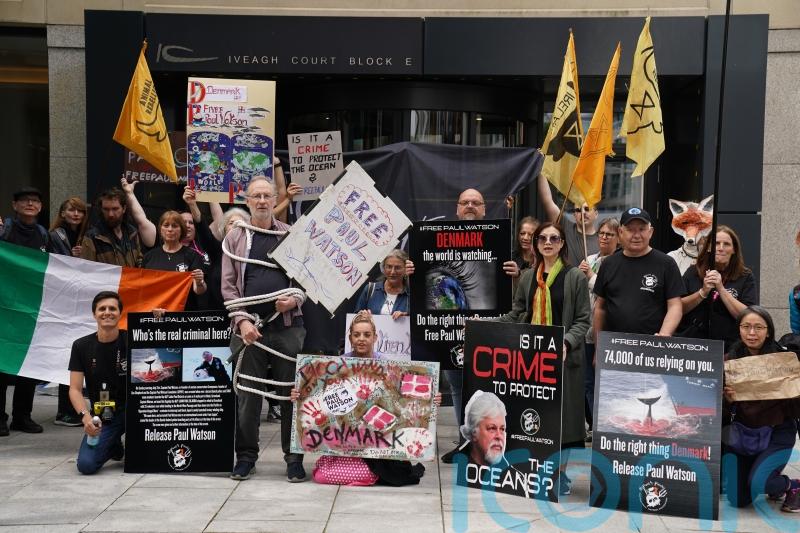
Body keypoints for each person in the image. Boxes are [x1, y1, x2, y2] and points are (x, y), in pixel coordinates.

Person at [419, 188, 519, 464]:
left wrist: (516, 275)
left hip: (492, 330)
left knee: (491, 385)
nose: (471, 206)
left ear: (485, 210)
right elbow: (422, 280)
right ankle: (467, 443)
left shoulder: (500, 240)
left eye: (477, 203)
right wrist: (412, 274)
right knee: (457, 386)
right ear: (457, 208)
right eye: (466, 203)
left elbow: (522, 292)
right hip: (450, 335)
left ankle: (493, 446)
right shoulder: (436, 240)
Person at [222, 177, 307, 482]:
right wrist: (242, 322)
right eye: (255, 196)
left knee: (291, 394)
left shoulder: (291, 236)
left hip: (286, 327)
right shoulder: (234, 238)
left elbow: (304, 282)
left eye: (266, 196)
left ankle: (293, 459)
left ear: (275, 200)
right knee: (247, 394)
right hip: (249, 329)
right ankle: (246, 457)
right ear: (247, 201)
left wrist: (293, 300)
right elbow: (229, 287)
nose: (261, 201)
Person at [495, 221, 590, 495]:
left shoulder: (575, 278)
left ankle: (559, 476)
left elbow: (583, 320)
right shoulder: (527, 277)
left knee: (565, 421)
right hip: (532, 362)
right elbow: (516, 313)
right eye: (543, 238)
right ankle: (536, 470)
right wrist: (487, 324)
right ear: (536, 244)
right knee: (537, 418)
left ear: (562, 244)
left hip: (563, 360)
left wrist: (566, 343)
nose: (548, 242)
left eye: (554, 238)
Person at [292, 311, 441, 486]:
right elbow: (318, 397)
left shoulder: (389, 367)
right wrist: (299, 395)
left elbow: (404, 400)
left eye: (366, 334)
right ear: (350, 338)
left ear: (375, 337)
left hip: (376, 442)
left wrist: (431, 399)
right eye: (356, 335)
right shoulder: (337, 365)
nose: (361, 339)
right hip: (345, 439)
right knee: (321, 476)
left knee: (372, 473)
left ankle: (374, 472)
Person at [722, 306, 800, 511]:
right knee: (737, 499)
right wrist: (727, 400)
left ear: (769, 330)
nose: (752, 333)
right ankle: (767, 479)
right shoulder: (730, 360)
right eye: (746, 326)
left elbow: (795, 410)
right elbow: (719, 413)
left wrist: (793, 390)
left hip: (777, 431)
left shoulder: (783, 361)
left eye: (758, 327)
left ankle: (792, 486)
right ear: (738, 329)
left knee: (760, 482)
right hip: (744, 434)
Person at [0, 187, 50, 436]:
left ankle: (23, 416)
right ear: (15, 205)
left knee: (31, 363)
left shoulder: (44, 235)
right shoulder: (4, 230)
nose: (30, 204)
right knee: (2, 363)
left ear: (40, 207)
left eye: (35, 201)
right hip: (5, 307)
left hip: (32, 309)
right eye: (24, 201)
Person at [593, 207, 684, 339]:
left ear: (650, 232)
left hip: (652, 347)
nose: (636, 235)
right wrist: (598, 348)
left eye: (641, 229)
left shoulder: (666, 264)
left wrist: (665, 333)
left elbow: (675, 306)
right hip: (614, 348)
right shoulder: (608, 264)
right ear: (620, 232)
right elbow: (600, 309)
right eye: (630, 230)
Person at [68, 291, 127, 474]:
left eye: (112, 308)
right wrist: (85, 417)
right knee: (86, 465)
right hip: (103, 414)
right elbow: (75, 389)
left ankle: (116, 442)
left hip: (134, 413)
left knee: (140, 459)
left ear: (120, 313)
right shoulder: (81, 345)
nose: (107, 312)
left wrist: (159, 318)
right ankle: (112, 445)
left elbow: (160, 337)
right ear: (94, 314)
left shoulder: (133, 338)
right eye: (102, 309)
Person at [680, 225, 757, 350]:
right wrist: (702, 293)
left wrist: (721, 289)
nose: (721, 248)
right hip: (693, 343)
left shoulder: (745, 276)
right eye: (716, 243)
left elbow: (748, 316)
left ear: (734, 250)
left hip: (730, 346)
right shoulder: (694, 271)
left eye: (726, 244)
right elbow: (678, 308)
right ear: (709, 247)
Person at [49, 197, 90, 427]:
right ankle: (64, 411)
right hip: (62, 304)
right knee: (65, 355)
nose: (75, 214)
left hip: (78, 302)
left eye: (80, 211)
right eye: (71, 210)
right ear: (62, 212)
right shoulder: (55, 235)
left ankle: (71, 406)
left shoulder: (84, 236)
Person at [578, 217, 619, 441]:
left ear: (618, 238)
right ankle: (592, 423)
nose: (604, 237)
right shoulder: (590, 259)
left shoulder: (619, 262)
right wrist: (578, 275)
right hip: (585, 331)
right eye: (601, 233)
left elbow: (610, 293)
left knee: (603, 382)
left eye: (609, 234)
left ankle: (602, 426)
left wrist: (591, 277)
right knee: (586, 382)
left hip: (606, 331)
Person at [142, 211, 207, 309]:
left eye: (175, 226)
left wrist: (199, 282)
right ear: (160, 229)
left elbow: (199, 290)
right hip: (154, 314)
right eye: (166, 225)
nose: (170, 229)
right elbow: (143, 289)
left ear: (182, 230)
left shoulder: (192, 255)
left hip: (182, 316)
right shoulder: (149, 257)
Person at [538, 172, 599, 266]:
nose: (583, 213)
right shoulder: (566, 227)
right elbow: (547, 201)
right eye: (578, 210)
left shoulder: (603, 238)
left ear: (596, 214)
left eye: (587, 209)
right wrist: (542, 170)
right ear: (574, 215)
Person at [81, 187, 143, 267]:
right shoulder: (92, 236)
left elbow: (139, 261)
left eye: (115, 209)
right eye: (106, 209)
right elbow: (87, 269)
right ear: (101, 210)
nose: (110, 214)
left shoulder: (132, 232)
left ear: (123, 209)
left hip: (130, 279)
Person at [206, 207, 250, 310]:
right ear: (224, 228)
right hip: (217, 312)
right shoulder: (216, 249)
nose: (235, 226)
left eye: (239, 223)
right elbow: (202, 228)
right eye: (231, 223)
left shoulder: (252, 252)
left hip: (246, 313)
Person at [354, 249, 410, 320]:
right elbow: (355, 319)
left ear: (405, 269)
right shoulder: (370, 289)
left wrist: (407, 318)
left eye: (397, 268)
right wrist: (361, 316)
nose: (392, 272)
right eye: (389, 267)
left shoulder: (411, 294)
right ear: (384, 268)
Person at [460, 391, 507, 467]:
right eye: (492, 428)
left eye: (502, 429)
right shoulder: (462, 463)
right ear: (474, 432)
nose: (499, 436)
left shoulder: (514, 473)